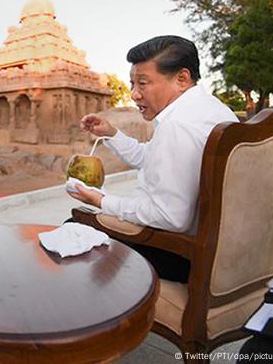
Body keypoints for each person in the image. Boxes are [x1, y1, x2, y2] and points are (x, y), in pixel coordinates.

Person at [69, 35, 238, 282]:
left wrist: (101, 201)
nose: (134, 95)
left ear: (182, 79)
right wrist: (110, 133)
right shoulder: (214, 111)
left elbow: (169, 218)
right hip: (222, 252)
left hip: (180, 256)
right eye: (132, 84)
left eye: (143, 83)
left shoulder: (178, 126)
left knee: (73, 229)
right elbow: (152, 158)